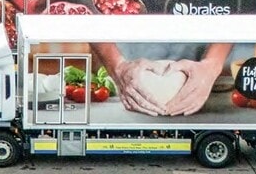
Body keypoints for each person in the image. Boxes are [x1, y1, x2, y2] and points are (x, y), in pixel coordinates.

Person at [88, 40, 233, 117]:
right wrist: (117, 64)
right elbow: (87, 13)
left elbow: (239, 9)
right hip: (129, 51)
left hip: (200, 50)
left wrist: (212, 63)